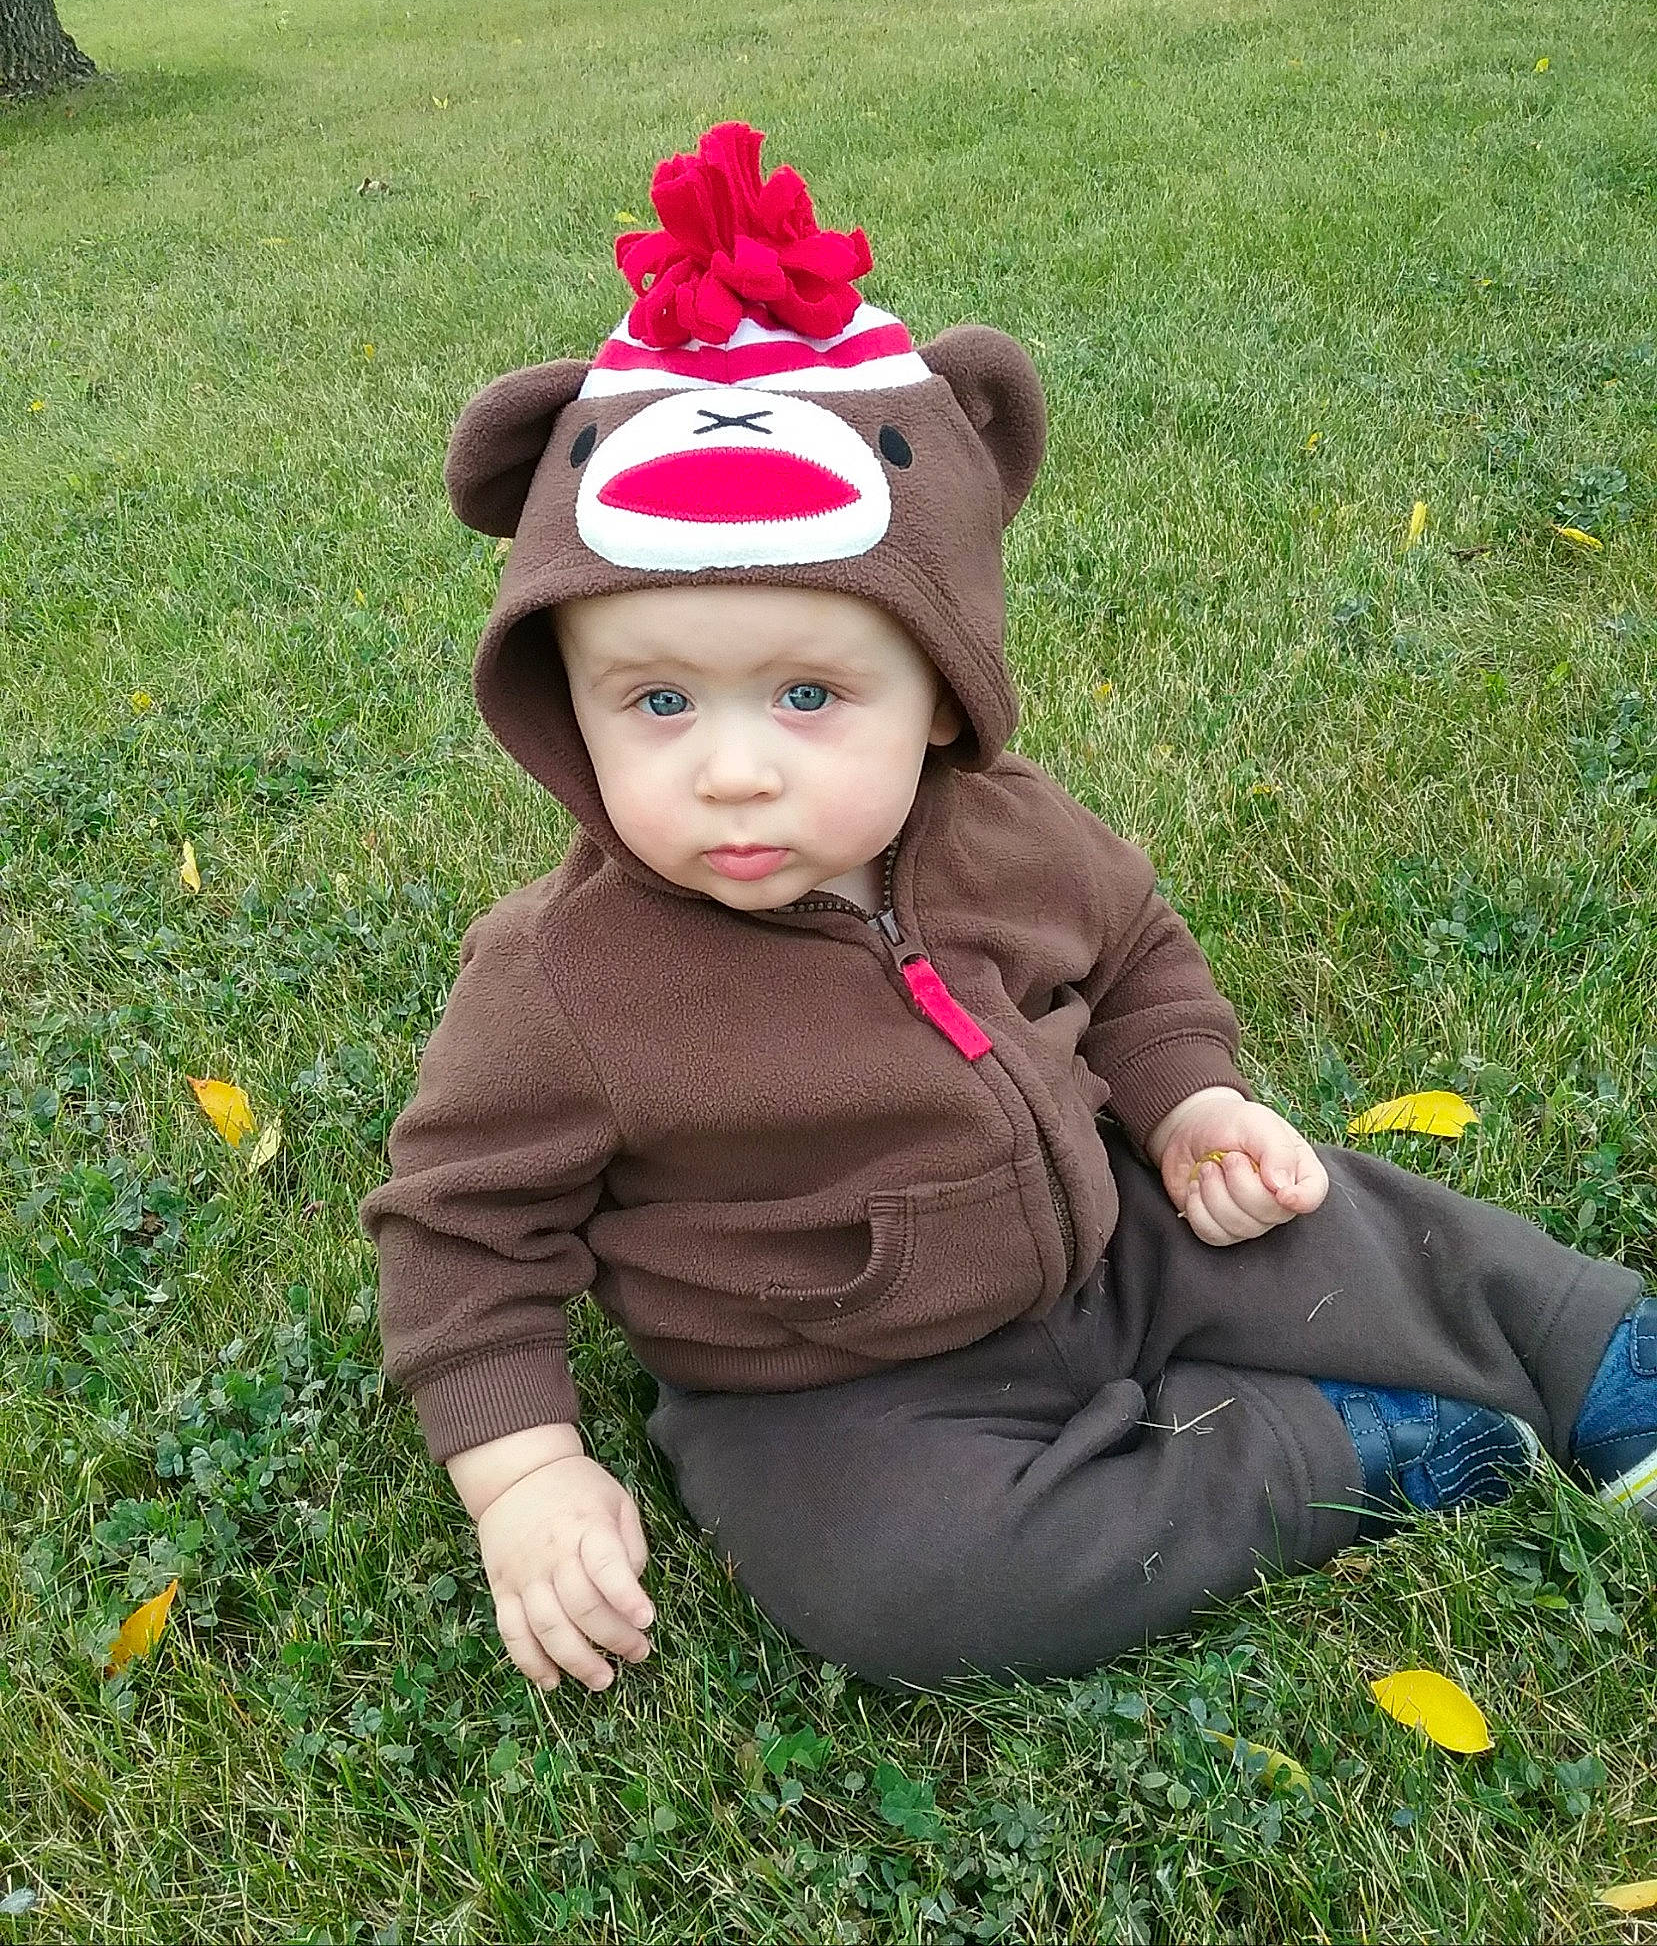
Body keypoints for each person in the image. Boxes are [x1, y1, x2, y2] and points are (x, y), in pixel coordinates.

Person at [359, 121, 1656, 1696]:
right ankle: (1333, 1451)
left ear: (940, 690)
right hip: (830, 1390)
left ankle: (1602, 1364)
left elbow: (1134, 959)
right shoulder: (564, 979)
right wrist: (524, 1472)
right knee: (911, 1593)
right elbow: (460, 1229)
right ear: (564, 704)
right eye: (654, 704)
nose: (732, 773)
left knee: (1348, 1217)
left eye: (809, 692)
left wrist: (1188, 1105)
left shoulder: (1016, 831)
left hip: (1118, 1237)